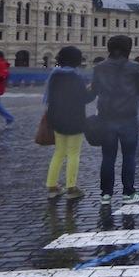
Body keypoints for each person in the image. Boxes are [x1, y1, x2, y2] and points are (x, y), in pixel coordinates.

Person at [90, 35, 139, 205]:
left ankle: (105, 194)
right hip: (128, 118)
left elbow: (94, 90)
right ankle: (128, 192)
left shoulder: (99, 67)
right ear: (127, 49)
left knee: (107, 157)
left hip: (106, 117)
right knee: (129, 156)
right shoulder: (135, 67)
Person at [45, 46, 95, 199]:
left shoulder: (54, 75)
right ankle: (71, 188)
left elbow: (51, 98)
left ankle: (52, 187)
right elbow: (84, 98)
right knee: (73, 153)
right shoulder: (76, 77)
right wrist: (93, 90)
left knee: (59, 152)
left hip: (56, 119)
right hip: (74, 120)